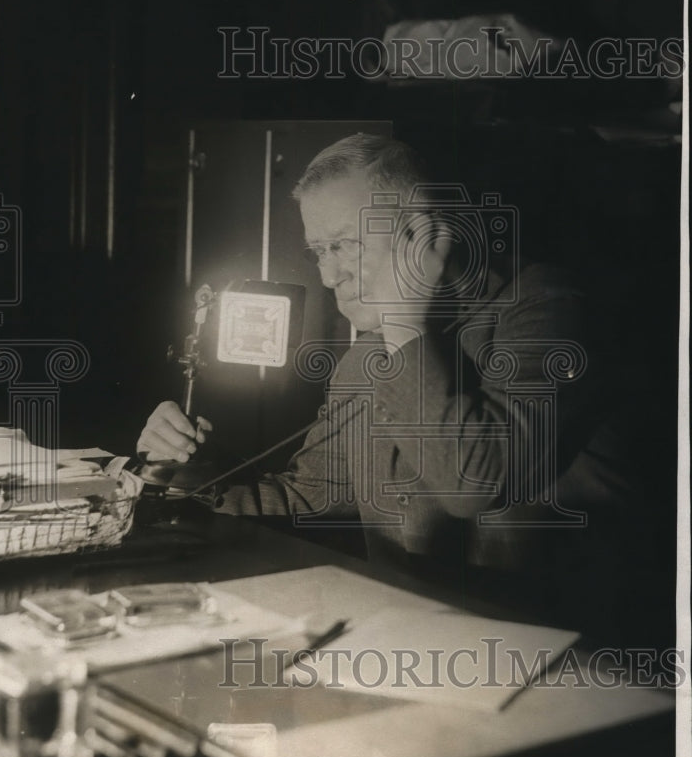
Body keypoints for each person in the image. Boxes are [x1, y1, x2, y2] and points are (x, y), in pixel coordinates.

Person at [138, 134, 654, 640]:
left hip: (558, 662)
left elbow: (472, 485)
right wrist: (187, 480)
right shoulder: (372, 351)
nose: (328, 274)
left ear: (423, 234)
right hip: (410, 644)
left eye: (342, 244)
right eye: (318, 250)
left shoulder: (548, 306)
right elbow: (310, 496)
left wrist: (406, 323)